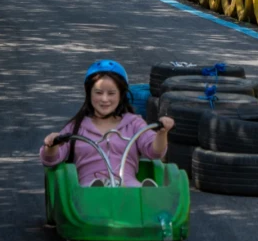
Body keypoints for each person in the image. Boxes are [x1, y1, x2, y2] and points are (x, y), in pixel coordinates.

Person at [40, 59, 174, 186]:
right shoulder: (76, 127)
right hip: (87, 191)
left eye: (111, 93)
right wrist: (51, 146)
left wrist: (162, 133)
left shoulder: (134, 123)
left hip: (127, 188)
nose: (104, 99)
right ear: (89, 93)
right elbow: (51, 159)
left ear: (120, 95)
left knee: (133, 188)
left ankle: (145, 194)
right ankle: (99, 189)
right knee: (92, 188)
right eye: (98, 93)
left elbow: (155, 152)